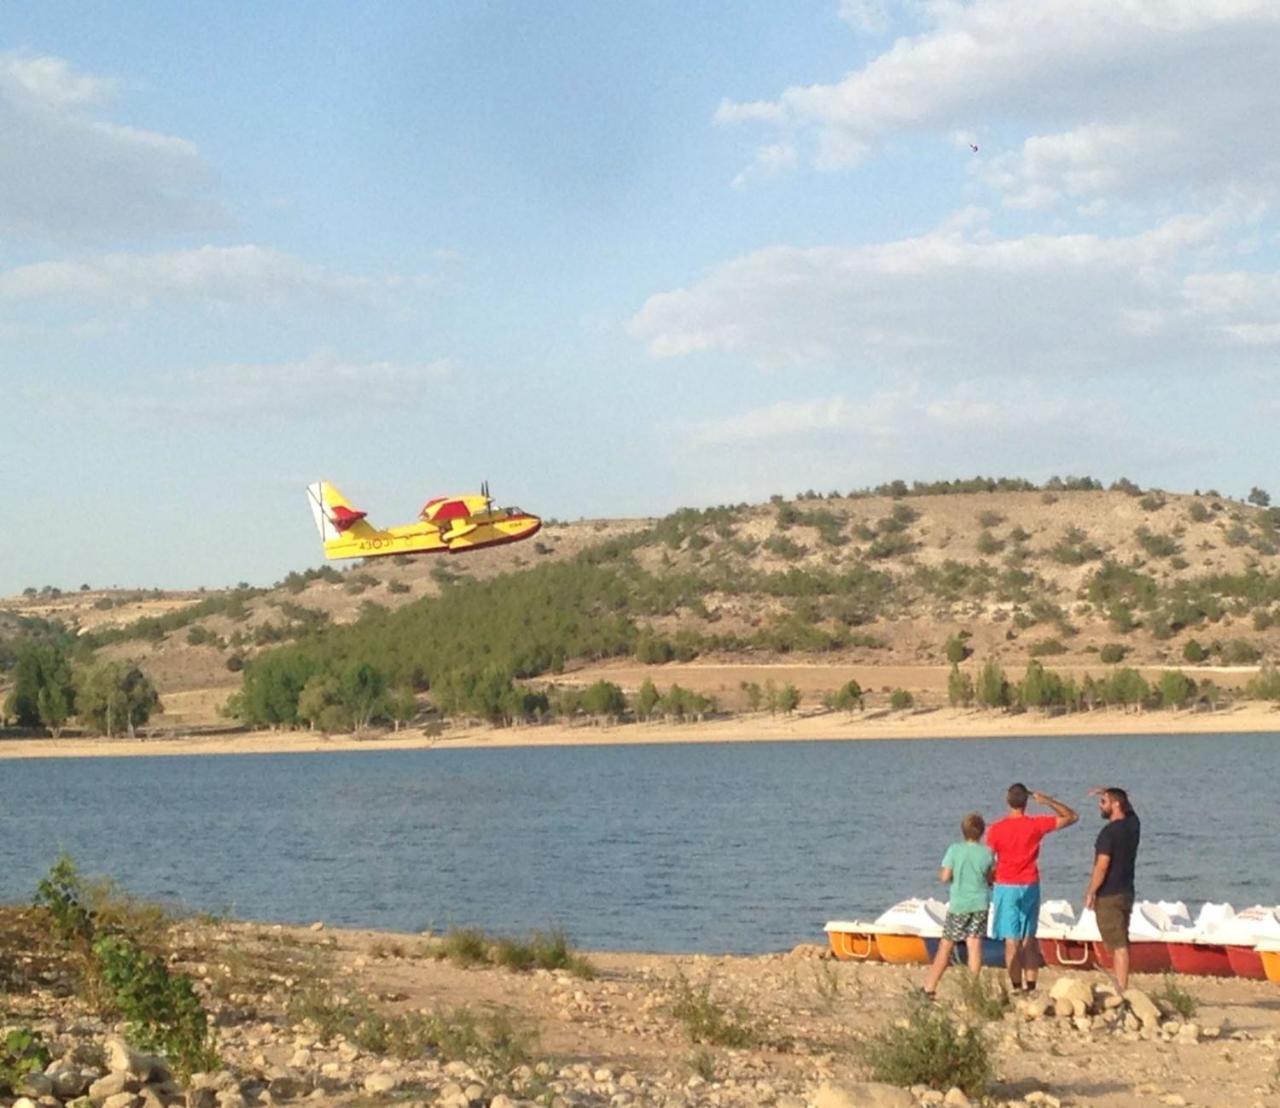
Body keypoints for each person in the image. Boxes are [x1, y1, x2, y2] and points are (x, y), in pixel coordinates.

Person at [985, 782, 1078, 992]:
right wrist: (1048, 801)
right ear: (1026, 802)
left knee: (1011, 940)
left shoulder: (996, 829)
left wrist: (989, 878)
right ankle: (1031, 985)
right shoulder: (1035, 824)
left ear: (1008, 801)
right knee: (1029, 939)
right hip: (1029, 884)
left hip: (1006, 884)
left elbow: (988, 861)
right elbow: (1071, 816)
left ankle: (1016, 985)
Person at [922, 812, 995, 998]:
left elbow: (945, 876)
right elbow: (990, 878)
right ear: (982, 832)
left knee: (946, 946)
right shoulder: (987, 853)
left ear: (963, 831)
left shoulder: (955, 850)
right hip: (980, 903)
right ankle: (972, 990)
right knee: (974, 945)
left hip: (959, 904)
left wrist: (951, 875)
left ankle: (929, 988)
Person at [1084, 785, 1141, 991]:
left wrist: (1091, 891)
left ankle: (1121, 988)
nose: (1100, 805)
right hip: (1126, 891)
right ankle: (1120, 984)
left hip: (1109, 893)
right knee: (1120, 941)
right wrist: (1108, 791)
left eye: (1104, 801)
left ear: (1116, 804)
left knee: (1118, 945)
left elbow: (1102, 865)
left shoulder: (1108, 833)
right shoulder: (1133, 825)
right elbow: (1131, 809)